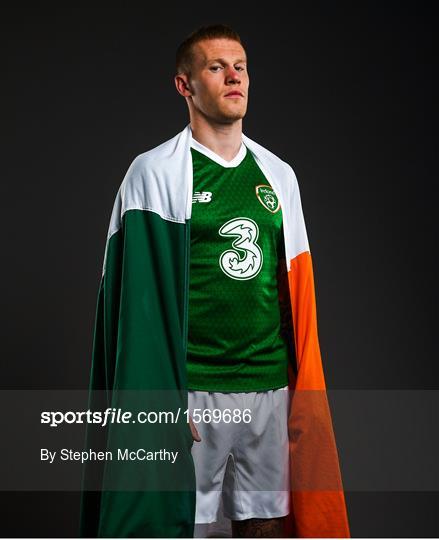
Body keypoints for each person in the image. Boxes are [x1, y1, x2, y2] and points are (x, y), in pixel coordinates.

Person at [79, 24, 350, 539]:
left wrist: (298, 394)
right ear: (185, 85)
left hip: (267, 389)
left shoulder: (279, 175)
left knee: (267, 524)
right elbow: (138, 305)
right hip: (193, 393)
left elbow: (295, 290)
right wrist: (159, 400)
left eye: (240, 67)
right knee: (188, 526)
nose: (233, 77)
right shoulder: (153, 173)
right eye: (216, 67)